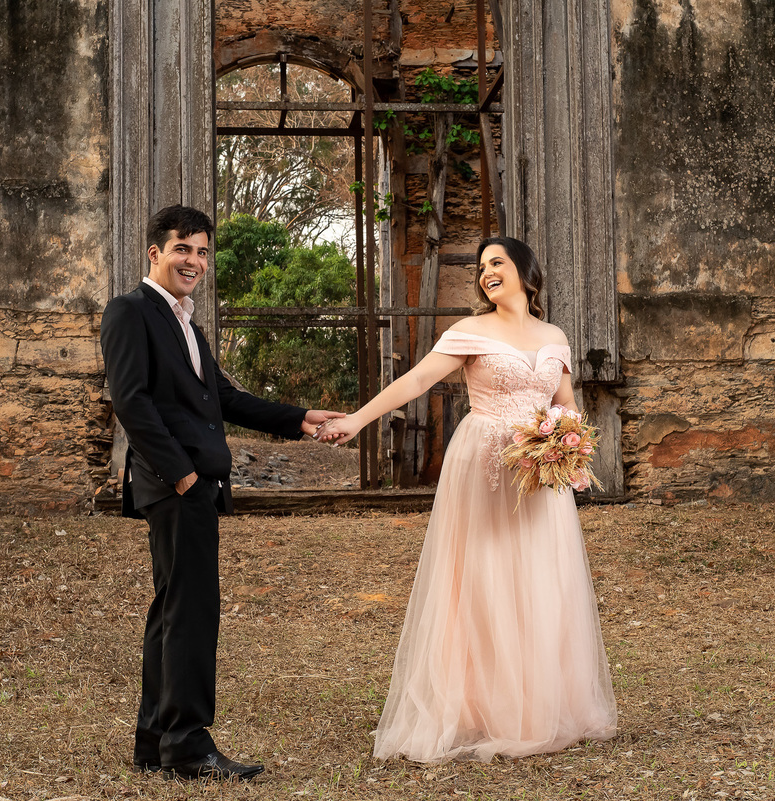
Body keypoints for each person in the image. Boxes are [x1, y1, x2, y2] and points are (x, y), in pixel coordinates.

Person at [318, 236, 617, 763]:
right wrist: (357, 420)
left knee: (539, 579)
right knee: (483, 575)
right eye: (482, 268)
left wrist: (570, 449)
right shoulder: (469, 331)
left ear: (526, 271)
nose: (486, 273)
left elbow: (566, 404)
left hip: (540, 471)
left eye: (497, 263)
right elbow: (416, 380)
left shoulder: (554, 336)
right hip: (485, 465)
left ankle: (539, 704)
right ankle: (480, 706)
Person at [100, 205, 342, 780]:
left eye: (203, 251)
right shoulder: (130, 311)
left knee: (173, 612)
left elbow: (222, 400)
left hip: (194, 486)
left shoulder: (188, 325)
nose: (195, 261)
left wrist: (300, 417)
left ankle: (155, 739)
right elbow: (130, 401)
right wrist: (181, 473)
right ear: (156, 252)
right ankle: (187, 744)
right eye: (184, 248)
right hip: (176, 486)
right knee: (191, 614)